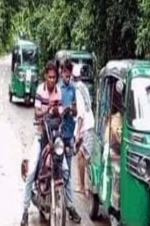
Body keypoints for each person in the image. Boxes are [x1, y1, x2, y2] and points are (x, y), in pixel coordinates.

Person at [21, 61, 62, 226]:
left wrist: (59, 111)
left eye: (54, 77)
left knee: (64, 169)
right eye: (50, 77)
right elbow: (37, 112)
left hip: (53, 138)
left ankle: (68, 205)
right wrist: (47, 110)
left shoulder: (59, 91)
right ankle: (24, 210)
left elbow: (59, 115)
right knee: (31, 172)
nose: (52, 80)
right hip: (40, 136)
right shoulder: (39, 90)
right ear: (46, 76)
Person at [57, 61, 82, 223]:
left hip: (68, 135)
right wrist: (62, 111)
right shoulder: (57, 88)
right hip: (57, 137)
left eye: (69, 73)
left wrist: (71, 110)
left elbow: (76, 110)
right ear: (61, 72)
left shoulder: (73, 89)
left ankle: (70, 205)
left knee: (67, 173)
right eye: (65, 72)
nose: (68, 76)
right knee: (59, 171)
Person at [74, 69, 95, 197]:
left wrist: (77, 133)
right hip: (90, 123)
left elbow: (81, 114)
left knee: (81, 156)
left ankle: (83, 186)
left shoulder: (77, 90)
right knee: (85, 156)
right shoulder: (84, 87)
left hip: (85, 126)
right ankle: (85, 185)